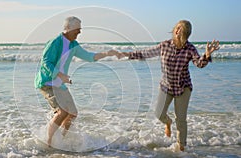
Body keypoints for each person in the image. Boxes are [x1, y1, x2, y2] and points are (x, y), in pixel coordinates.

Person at [122, 20, 220, 151]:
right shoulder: (165, 45)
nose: (178, 30)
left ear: (186, 33)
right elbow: (146, 53)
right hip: (166, 86)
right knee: (158, 113)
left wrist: (207, 55)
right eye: (177, 27)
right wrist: (126, 55)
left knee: (181, 119)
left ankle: (181, 148)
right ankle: (168, 122)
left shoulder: (190, 49)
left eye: (182, 29)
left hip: (183, 87)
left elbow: (199, 63)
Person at [34, 16, 122, 147]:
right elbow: (46, 63)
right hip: (47, 83)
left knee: (72, 113)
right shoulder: (55, 42)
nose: (79, 32)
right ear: (68, 28)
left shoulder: (73, 45)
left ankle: (61, 139)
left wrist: (107, 53)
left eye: (80, 29)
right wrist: (60, 75)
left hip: (59, 84)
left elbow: (89, 57)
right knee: (62, 112)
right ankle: (48, 142)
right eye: (77, 29)